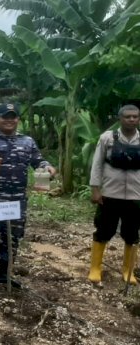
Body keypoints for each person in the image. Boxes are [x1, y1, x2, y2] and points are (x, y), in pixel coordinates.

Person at [0, 103, 56, 293]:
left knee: (12, 237)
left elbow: (38, 161)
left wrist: (47, 167)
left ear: (18, 119)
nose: (9, 120)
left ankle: (4, 273)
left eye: (13, 116)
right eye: (4, 116)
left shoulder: (27, 142)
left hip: (17, 200)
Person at [88, 104, 140, 285]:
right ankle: (95, 268)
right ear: (120, 119)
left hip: (135, 195)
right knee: (104, 230)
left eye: (135, 117)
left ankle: (128, 270)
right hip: (110, 193)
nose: (132, 119)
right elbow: (97, 164)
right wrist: (95, 188)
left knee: (132, 234)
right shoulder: (107, 138)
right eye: (128, 117)